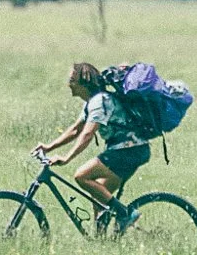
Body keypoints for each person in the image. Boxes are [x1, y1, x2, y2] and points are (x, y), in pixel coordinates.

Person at [33, 62, 152, 231]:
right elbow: (76, 130)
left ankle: (125, 214)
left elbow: (87, 134)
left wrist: (66, 158)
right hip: (127, 150)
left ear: (83, 82)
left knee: (81, 176)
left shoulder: (100, 101)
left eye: (72, 80)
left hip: (129, 150)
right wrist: (48, 147)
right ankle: (101, 242)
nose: (69, 84)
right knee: (99, 198)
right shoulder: (91, 102)